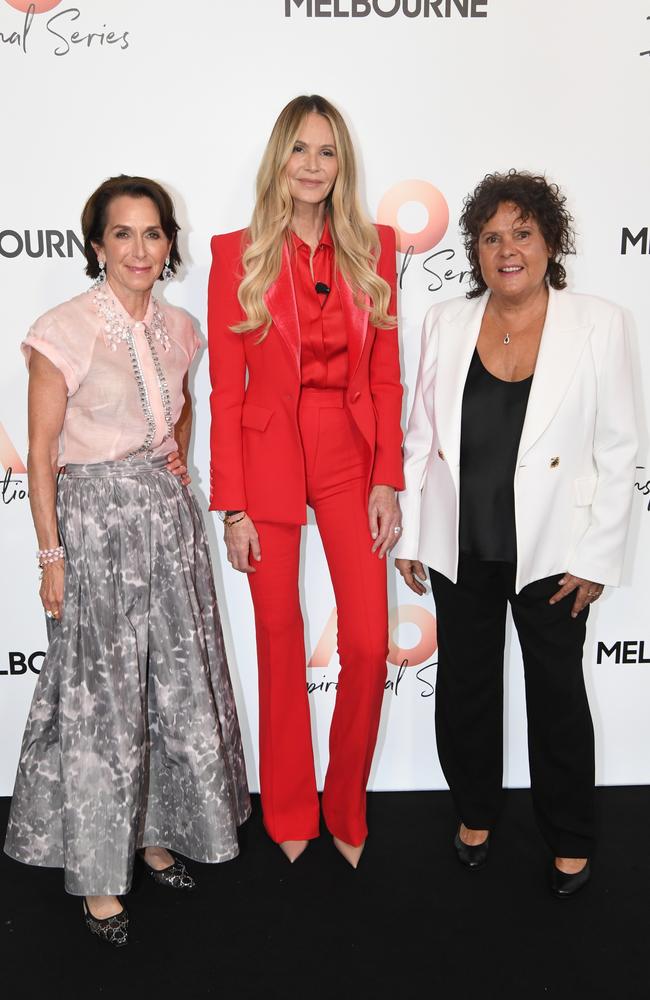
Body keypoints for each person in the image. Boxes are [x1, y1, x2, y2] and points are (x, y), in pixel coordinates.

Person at [4, 175, 250, 946]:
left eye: (152, 234)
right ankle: (102, 878)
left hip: (167, 527)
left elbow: (188, 405)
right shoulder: (64, 329)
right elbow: (41, 453)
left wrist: (177, 462)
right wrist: (52, 555)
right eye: (123, 234)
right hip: (95, 528)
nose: (140, 249)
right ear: (97, 244)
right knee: (104, 702)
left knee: (173, 687)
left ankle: (153, 835)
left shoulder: (181, 327)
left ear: (168, 243)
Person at [394, 170, 637, 896]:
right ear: (474, 249)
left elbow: (620, 449)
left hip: (555, 552)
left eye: (522, 233)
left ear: (550, 241)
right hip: (462, 543)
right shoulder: (445, 321)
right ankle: (475, 813)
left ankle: (570, 834)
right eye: (491, 236)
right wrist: (412, 534)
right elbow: (420, 436)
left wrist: (597, 556)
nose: (507, 249)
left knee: (557, 694)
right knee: (465, 689)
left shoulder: (600, 323)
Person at [208, 95, 403, 868]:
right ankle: (289, 806)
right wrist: (232, 507)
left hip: (350, 451)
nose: (313, 166)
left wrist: (386, 476)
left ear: (341, 163)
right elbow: (225, 391)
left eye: (327, 152)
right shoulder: (238, 253)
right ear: (278, 160)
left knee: (364, 636)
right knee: (279, 633)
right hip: (268, 454)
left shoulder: (376, 248)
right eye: (300, 150)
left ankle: (346, 804)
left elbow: (385, 378)